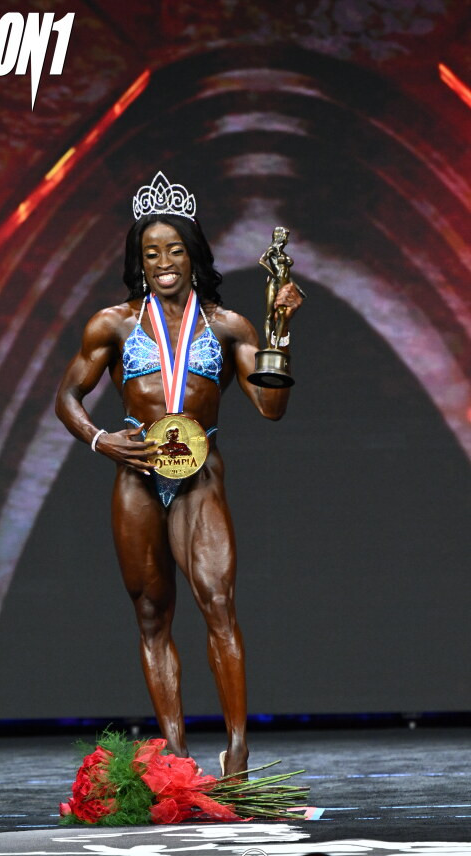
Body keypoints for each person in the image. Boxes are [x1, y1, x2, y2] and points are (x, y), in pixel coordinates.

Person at [55, 172, 303, 776]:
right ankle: (178, 760)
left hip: (200, 478)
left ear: (193, 256)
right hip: (138, 476)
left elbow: (271, 408)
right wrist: (99, 440)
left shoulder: (229, 326)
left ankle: (237, 754)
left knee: (218, 605)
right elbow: (67, 397)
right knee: (151, 615)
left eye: (173, 250)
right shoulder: (112, 324)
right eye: (151, 253)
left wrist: (279, 332)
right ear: (138, 262)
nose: (163, 262)